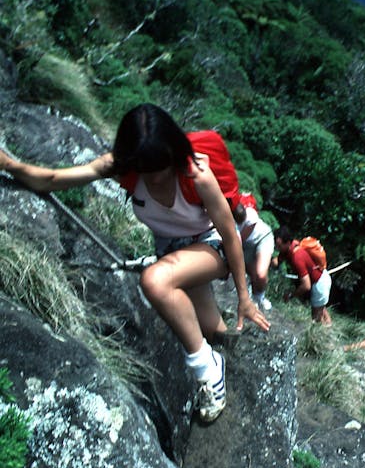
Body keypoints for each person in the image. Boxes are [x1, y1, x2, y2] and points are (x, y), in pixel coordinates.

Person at [0, 103, 270, 422]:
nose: (155, 180)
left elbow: (228, 231)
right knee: (212, 331)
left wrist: (244, 297)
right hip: (174, 251)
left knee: (155, 282)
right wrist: (9, 164)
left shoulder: (197, 173)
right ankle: (226, 368)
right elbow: (53, 179)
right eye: (147, 173)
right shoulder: (122, 166)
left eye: (162, 170)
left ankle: (206, 371)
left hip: (211, 246)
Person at [274, 225, 332, 325]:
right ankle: (331, 330)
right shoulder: (288, 248)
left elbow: (306, 285)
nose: (277, 248)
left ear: (287, 243)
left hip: (319, 284)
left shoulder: (297, 257)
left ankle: (326, 337)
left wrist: (291, 295)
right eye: (276, 245)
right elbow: (276, 261)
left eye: (279, 246)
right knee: (322, 311)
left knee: (316, 321)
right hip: (321, 279)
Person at [234, 193, 274, 312]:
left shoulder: (251, 215)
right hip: (246, 246)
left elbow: (241, 238)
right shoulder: (227, 219)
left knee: (260, 274)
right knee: (253, 276)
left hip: (262, 238)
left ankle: (260, 298)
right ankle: (253, 301)